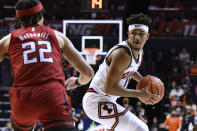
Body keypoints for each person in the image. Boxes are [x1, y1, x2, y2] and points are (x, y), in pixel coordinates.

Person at [0, 0, 94, 131]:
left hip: (23, 100)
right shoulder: (57, 36)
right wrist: (77, 82)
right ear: (40, 16)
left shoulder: (8, 40)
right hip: (52, 97)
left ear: (19, 19)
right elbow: (88, 73)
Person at [82, 13, 160, 131]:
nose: (137, 37)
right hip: (97, 100)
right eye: (134, 33)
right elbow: (109, 89)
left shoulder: (140, 52)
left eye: (141, 34)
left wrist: (144, 81)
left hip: (107, 100)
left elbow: (130, 70)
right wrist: (139, 93)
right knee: (141, 129)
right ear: (128, 34)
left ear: (147, 36)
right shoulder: (122, 55)